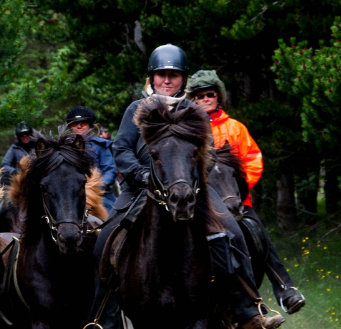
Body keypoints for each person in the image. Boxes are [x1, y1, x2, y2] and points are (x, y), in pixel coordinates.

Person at [90, 44, 284, 329]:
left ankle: (247, 309)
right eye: (161, 75)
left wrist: (190, 178)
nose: (167, 80)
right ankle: (101, 318)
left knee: (232, 228)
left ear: (183, 78)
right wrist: (142, 175)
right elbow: (121, 148)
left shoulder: (193, 110)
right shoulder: (137, 109)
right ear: (151, 77)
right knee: (105, 239)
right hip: (142, 187)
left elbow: (210, 153)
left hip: (190, 190)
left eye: (174, 75)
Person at [187, 70, 305, 315]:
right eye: (199, 96)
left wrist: (239, 190)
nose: (205, 99)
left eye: (210, 94)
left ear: (219, 96)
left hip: (236, 199)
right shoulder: (188, 130)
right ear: (192, 100)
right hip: (201, 202)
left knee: (258, 234)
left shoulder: (235, 128)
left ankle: (285, 289)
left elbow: (253, 160)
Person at [66, 106, 117, 212]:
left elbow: (110, 171)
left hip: (99, 194)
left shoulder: (100, 146)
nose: (79, 126)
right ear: (71, 126)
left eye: (83, 123)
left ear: (89, 126)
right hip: (70, 195)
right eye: (75, 124)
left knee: (114, 221)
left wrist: (97, 187)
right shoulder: (64, 147)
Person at [1, 121, 35, 186]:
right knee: (4, 179)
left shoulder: (37, 146)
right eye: (21, 134)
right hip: (20, 182)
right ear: (18, 136)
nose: (25, 136)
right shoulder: (14, 148)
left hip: (37, 179)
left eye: (27, 133)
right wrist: (14, 171)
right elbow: (4, 165)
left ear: (31, 134)